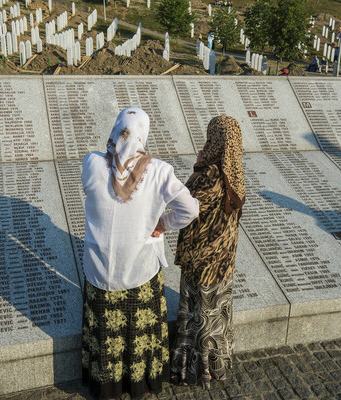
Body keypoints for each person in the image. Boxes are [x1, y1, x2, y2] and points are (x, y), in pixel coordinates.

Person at [81, 107, 199, 400]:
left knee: (105, 330)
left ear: (115, 130)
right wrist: (162, 223)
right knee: (139, 329)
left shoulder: (93, 163)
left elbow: (91, 190)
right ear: (143, 136)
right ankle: (139, 385)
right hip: (140, 272)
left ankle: (106, 387)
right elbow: (190, 209)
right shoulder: (159, 171)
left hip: (100, 270)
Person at [170, 115, 246, 389]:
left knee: (199, 315)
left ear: (215, 141)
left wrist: (197, 167)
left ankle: (197, 369)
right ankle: (218, 361)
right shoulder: (234, 170)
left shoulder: (211, 175)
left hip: (202, 261)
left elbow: (185, 200)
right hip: (224, 262)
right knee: (217, 313)